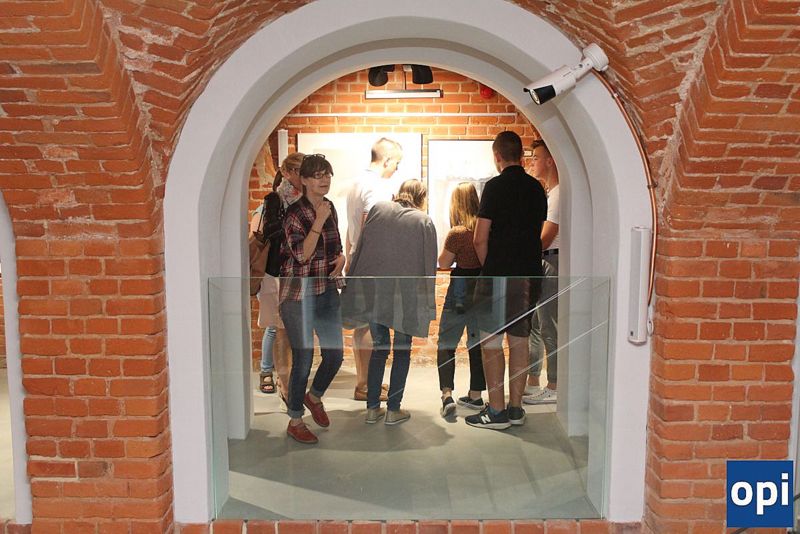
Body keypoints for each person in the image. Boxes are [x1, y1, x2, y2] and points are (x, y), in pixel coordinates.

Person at [466, 131, 547, 430]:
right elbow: (536, 231)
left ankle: (496, 411)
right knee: (520, 340)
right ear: (521, 156)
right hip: (529, 274)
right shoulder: (536, 188)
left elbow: (479, 238)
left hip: (498, 273)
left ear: (497, 156)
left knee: (490, 341)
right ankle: (515, 408)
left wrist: (492, 266)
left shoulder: (494, 187)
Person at [345, 180, 437, 425]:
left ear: (398, 193)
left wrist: (353, 285)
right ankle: (393, 409)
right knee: (402, 351)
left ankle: (372, 408)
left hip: (375, 293)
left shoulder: (378, 209)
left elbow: (361, 249)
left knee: (380, 349)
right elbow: (429, 267)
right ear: (422, 198)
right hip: (406, 297)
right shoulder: (423, 221)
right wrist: (428, 304)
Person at [279, 154, 346, 444]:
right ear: (304, 180)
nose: (324, 180)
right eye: (318, 175)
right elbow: (302, 255)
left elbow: (336, 246)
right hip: (299, 295)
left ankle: (314, 395)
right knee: (303, 359)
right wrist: (318, 220)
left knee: (335, 354)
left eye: (327, 174)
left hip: (326, 290)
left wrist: (341, 259)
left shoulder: (330, 208)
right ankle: (295, 419)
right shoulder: (295, 214)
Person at [345, 137, 404, 402]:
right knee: (370, 325)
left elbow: (353, 228)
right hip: (372, 265)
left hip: (359, 262)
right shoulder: (375, 185)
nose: (396, 169)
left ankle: (364, 382)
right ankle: (367, 385)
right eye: (396, 163)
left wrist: (350, 258)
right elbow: (371, 226)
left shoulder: (357, 183)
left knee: (362, 326)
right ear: (387, 159)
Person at [250, 154, 305, 402]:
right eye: (298, 171)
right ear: (287, 172)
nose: (302, 176)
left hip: (298, 273)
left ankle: (289, 380)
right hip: (275, 273)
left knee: (292, 330)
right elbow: (262, 235)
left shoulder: (309, 202)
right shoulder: (272, 202)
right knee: (276, 328)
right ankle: (278, 380)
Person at [436, 183, 486, 417]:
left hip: (460, 288)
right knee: (477, 342)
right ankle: (476, 395)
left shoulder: (457, 233)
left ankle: (447, 394)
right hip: (482, 287)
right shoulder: (484, 230)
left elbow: (444, 263)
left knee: (447, 342)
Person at [525, 139, 560, 405]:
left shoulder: (558, 194)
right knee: (538, 323)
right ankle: (534, 379)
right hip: (546, 261)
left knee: (549, 325)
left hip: (552, 261)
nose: (532, 162)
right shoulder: (552, 193)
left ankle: (554, 385)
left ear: (549, 161)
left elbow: (546, 238)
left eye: (536, 157)